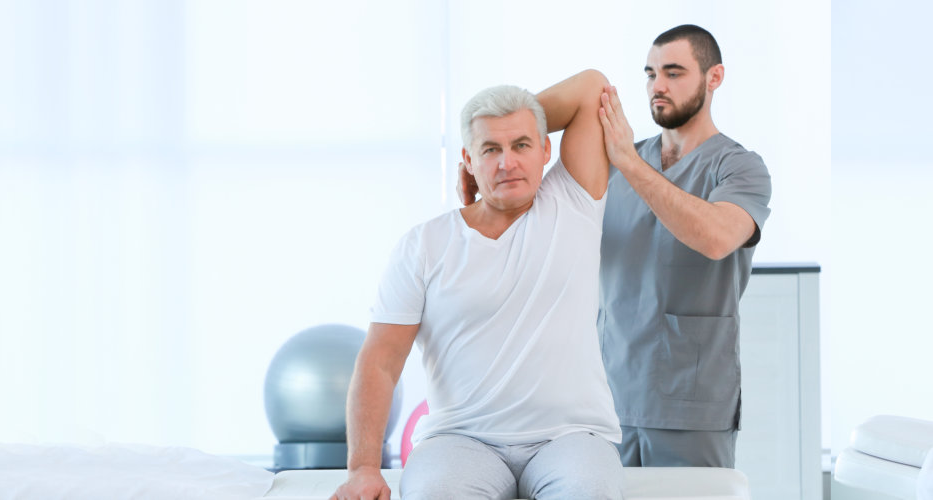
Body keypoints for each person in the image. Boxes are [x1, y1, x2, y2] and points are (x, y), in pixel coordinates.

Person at [330, 69, 623, 500]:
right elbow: (381, 360)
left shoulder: (574, 201)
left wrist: (517, 119)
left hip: (571, 438)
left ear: (546, 150)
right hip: (461, 441)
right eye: (490, 150)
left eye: (521, 144)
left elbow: (591, 87)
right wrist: (362, 468)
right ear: (466, 160)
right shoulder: (424, 245)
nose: (507, 162)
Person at [593, 24, 775, 468]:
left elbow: (715, 238)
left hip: (689, 406)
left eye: (674, 73)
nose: (658, 86)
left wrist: (631, 166)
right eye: (651, 73)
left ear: (714, 78)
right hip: (606, 400)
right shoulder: (618, 160)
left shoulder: (739, 168)